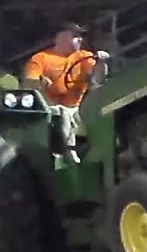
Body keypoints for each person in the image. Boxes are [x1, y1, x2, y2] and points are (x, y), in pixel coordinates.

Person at [22, 22, 109, 163]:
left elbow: (97, 81)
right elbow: (28, 83)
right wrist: (41, 83)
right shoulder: (41, 58)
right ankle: (69, 152)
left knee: (98, 113)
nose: (80, 39)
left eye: (80, 36)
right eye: (75, 36)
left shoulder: (84, 57)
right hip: (51, 109)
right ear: (60, 37)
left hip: (78, 107)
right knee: (61, 113)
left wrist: (102, 63)